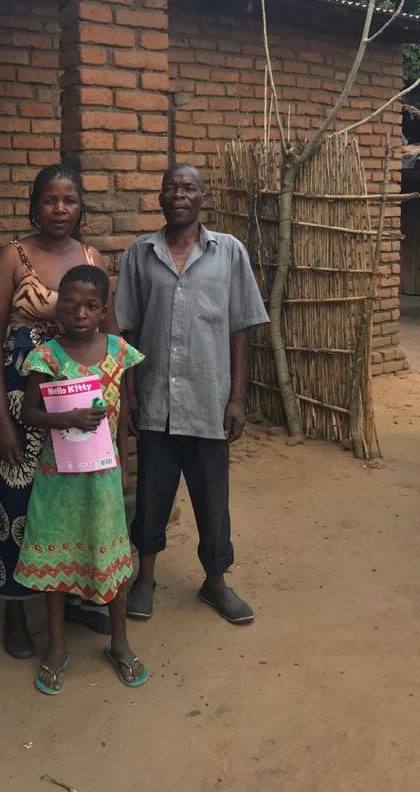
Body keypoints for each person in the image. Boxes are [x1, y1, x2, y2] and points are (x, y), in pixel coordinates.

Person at [114, 164, 269, 625]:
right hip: (157, 403)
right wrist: (130, 393)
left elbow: (240, 328)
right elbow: (127, 330)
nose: (178, 194)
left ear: (203, 196)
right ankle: (145, 578)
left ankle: (215, 582)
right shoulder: (140, 254)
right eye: (171, 187)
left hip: (209, 403)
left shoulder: (230, 253)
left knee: (212, 501)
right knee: (151, 499)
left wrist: (237, 398)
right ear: (160, 197)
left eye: (188, 188)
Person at [0, 163, 115, 659]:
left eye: (70, 200)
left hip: (79, 399)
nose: (60, 209)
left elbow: (111, 335)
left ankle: (74, 595)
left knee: (73, 499)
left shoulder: (90, 256)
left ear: (81, 207)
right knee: (19, 504)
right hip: (24, 398)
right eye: (50, 200)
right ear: (34, 203)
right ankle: (15, 609)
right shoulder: (13, 257)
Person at [17, 265, 147, 694]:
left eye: (91, 306)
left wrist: (125, 470)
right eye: (70, 305)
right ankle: (56, 646)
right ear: (58, 311)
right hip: (57, 480)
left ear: (104, 309)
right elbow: (29, 412)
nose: (80, 313)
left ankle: (120, 643)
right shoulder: (47, 356)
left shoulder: (119, 350)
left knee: (111, 560)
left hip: (104, 479)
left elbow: (125, 412)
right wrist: (67, 417)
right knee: (57, 560)